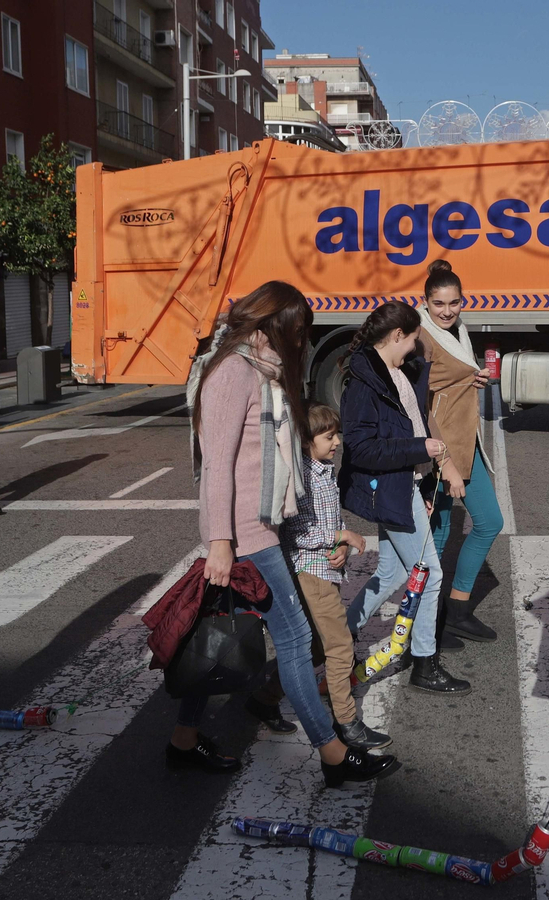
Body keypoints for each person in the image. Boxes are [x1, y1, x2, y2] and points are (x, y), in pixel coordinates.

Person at [177, 281, 397, 787]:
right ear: (272, 325)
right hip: (245, 536)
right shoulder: (234, 372)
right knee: (297, 638)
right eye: (298, 331)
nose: (301, 341)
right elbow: (218, 465)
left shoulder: (261, 370)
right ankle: (334, 754)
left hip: (254, 530)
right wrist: (220, 543)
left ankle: (183, 740)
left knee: (214, 637)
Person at [340, 300, 472, 694]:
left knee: (394, 573)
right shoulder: (365, 384)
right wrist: (421, 452)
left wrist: (420, 479)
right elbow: (361, 450)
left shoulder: (395, 373)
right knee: (428, 575)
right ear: (397, 335)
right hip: (390, 487)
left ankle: (336, 639)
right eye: (413, 339)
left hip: (403, 486)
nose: (416, 348)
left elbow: (409, 425)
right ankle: (424, 664)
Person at [282, 402, 386, 749]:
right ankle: (346, 722)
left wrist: (339, 544)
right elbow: (295, 534)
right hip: (309, 572)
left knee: (312, 648)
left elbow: (330, 520)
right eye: (329, 437)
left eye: (336, 435)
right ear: (308, 440)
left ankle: (264, 699)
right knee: (340, 647)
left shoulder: (325, 470)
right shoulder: (303, 477)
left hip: (325, 567)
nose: (337, 442)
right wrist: (339, 538)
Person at [419, 260, 506, 643]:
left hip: (466, 445)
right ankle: (427, 622)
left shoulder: (458, 330)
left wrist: (473, 377)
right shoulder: (421, 336)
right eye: (439, 304)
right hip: (439, 451)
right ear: (425, 302)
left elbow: (450, 378)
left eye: (454, 303)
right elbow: (418, 403)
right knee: (436, 538)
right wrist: (443, 459)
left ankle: (455, 610)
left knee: (489, 522)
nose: (447, 311)